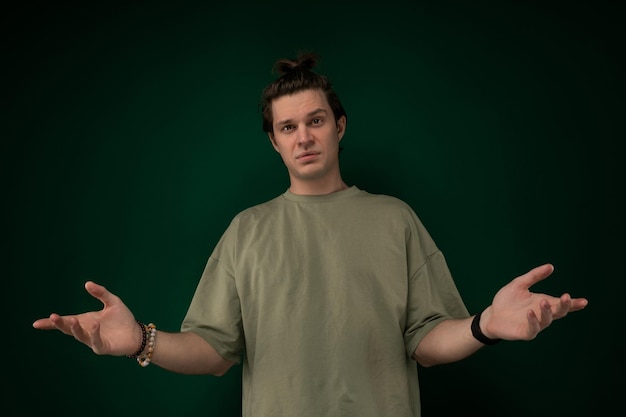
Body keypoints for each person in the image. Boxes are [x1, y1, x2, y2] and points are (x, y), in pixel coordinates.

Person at [32, 53, 588, 417]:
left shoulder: (395, 218)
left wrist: (486, 325)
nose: (304, 137)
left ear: (339, 127)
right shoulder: (247, 231)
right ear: (274, 141)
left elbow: (428, 343)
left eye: (316, 121)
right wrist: (141, 342)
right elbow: (214, 350)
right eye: (288, 127)